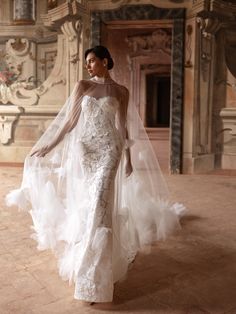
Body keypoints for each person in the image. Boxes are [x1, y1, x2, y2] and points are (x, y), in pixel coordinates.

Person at [6, 45, 185, 304]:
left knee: (101, 202)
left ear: (105, 61)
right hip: (86, 151)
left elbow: (122, 127)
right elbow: (69, 122)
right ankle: (93, 265)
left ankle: (93, 279)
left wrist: (128, 159)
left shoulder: (121, 92)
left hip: (109, 150)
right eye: (87, 62)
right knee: (92, 206)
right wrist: (49, 144)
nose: (88, 65)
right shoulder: (82, 86)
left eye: (92, 61)